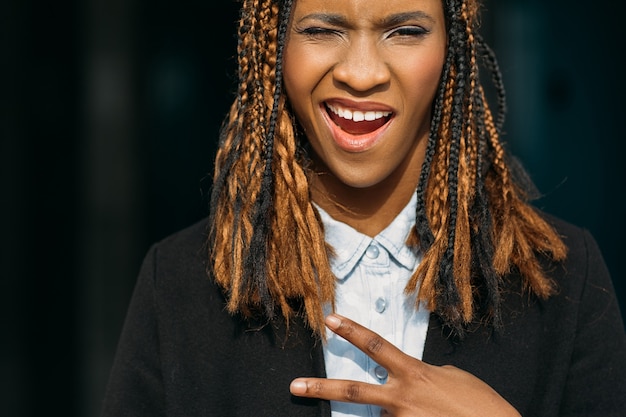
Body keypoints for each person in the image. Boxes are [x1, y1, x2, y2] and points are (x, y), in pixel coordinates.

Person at [100, 0, 626, 416]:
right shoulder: (177, 284)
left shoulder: (567, 279)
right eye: (322, 29)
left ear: (453, 47)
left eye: (406, 31)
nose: (361, 72)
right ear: (273, 45)